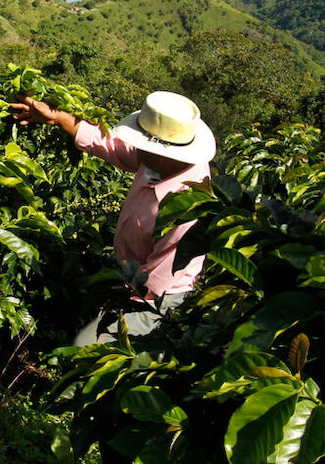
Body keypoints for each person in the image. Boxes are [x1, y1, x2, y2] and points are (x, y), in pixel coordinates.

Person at [11, 90, 215, 346]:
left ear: (163, 154)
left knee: (84, 348)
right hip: (130, 274)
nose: (135, 148)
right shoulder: (160, 161)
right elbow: (111, 145)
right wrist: (56, 117)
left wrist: (109, 286)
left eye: (142, 144)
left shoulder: (187, 213)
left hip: (156, 299)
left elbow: (154, 284)